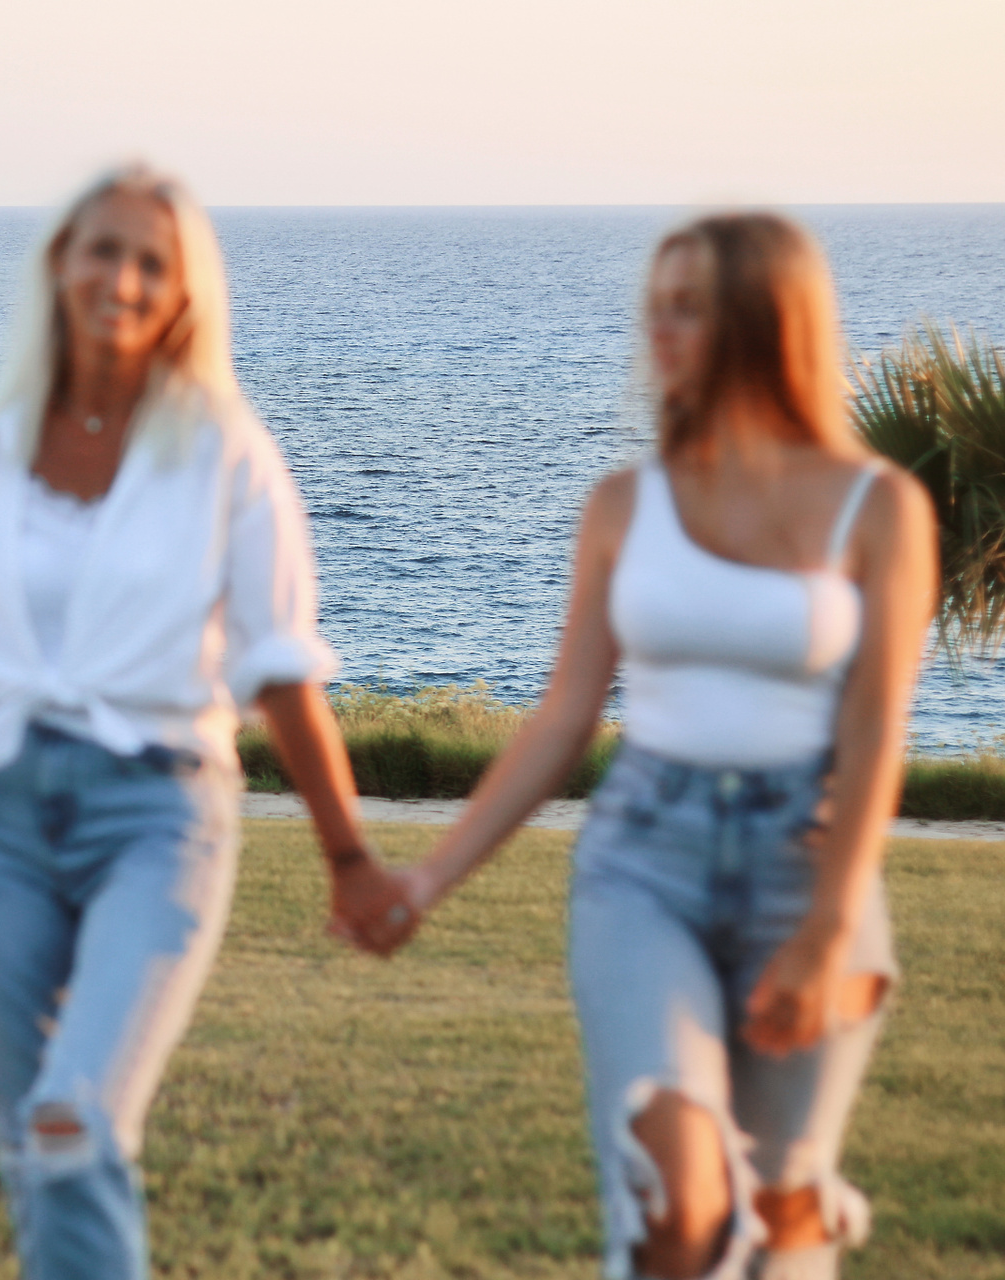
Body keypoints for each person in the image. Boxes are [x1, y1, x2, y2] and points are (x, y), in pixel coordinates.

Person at [0, 164, 415, 1279]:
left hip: (160, 812)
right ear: (59, 266)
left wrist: (351, 858)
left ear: (184, 294)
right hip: (7, 815)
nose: (122, 278)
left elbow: (279, 667)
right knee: (27, 1131)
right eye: (103, 250)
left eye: (151, 261)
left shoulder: (224, 447)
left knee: (73, 1118)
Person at [361, 213, 937, 1280]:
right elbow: (564, 717)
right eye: (657, 305)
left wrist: (825, 928)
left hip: (807, 864)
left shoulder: (879, 506)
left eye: (692, 307)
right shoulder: (626, 504)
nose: (660, 329)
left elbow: (874, 729)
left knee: (781, 1214)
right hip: (643, 860)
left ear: (769, 323)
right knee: (676, 1199)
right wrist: (428, 877)